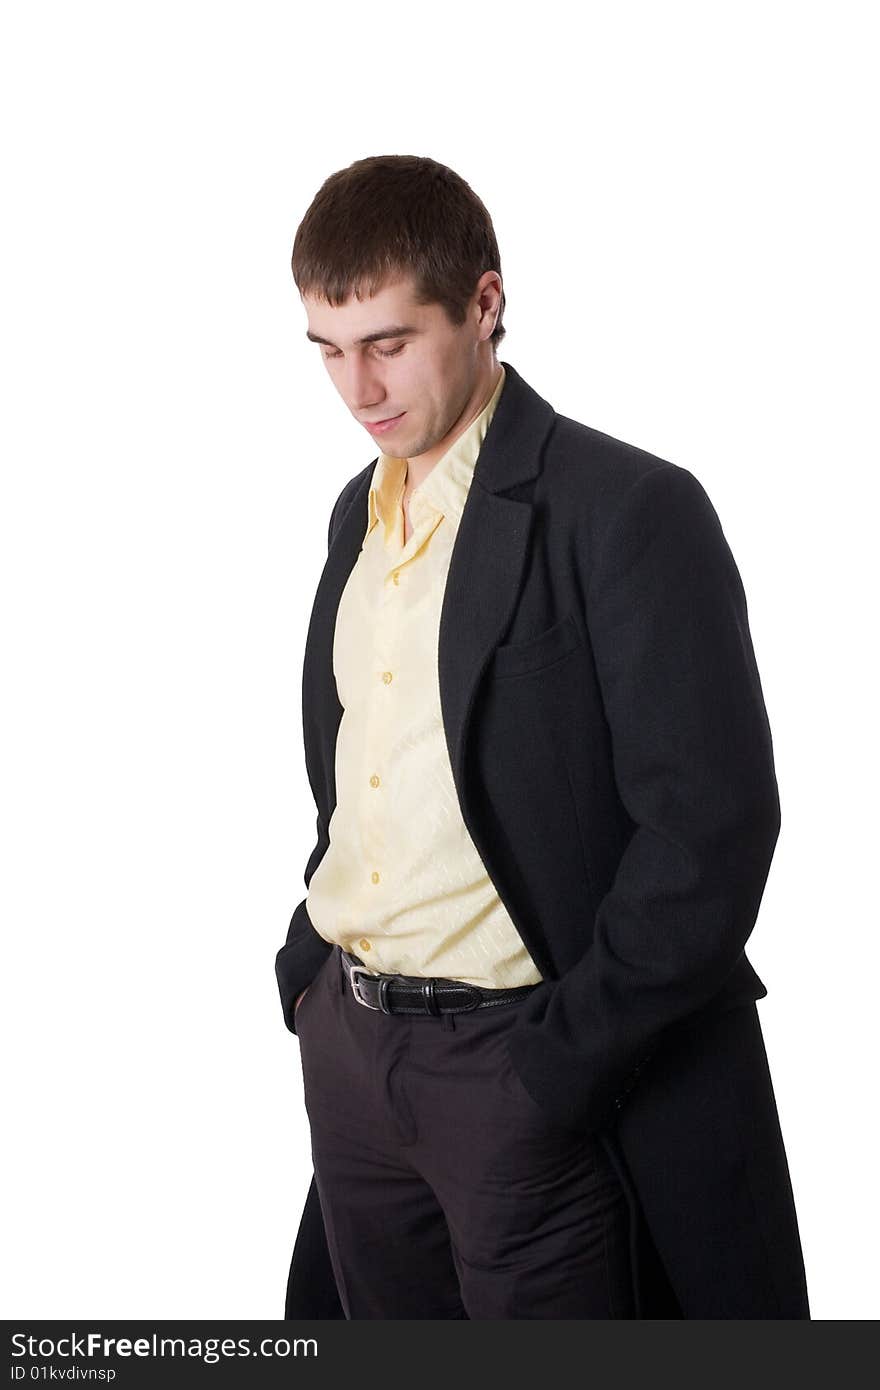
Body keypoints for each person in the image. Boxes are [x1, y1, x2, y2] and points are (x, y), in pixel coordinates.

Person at [274, 153, 810, 1319]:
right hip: (356, 1064)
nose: (356, 388)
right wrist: (310, 979)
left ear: (483, 302)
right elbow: (356, 773)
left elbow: (711, 833)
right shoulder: (354, 514)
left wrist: (554, 1064)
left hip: (524, 1069)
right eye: (325, 348)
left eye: (387, 341)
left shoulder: (626, 509)